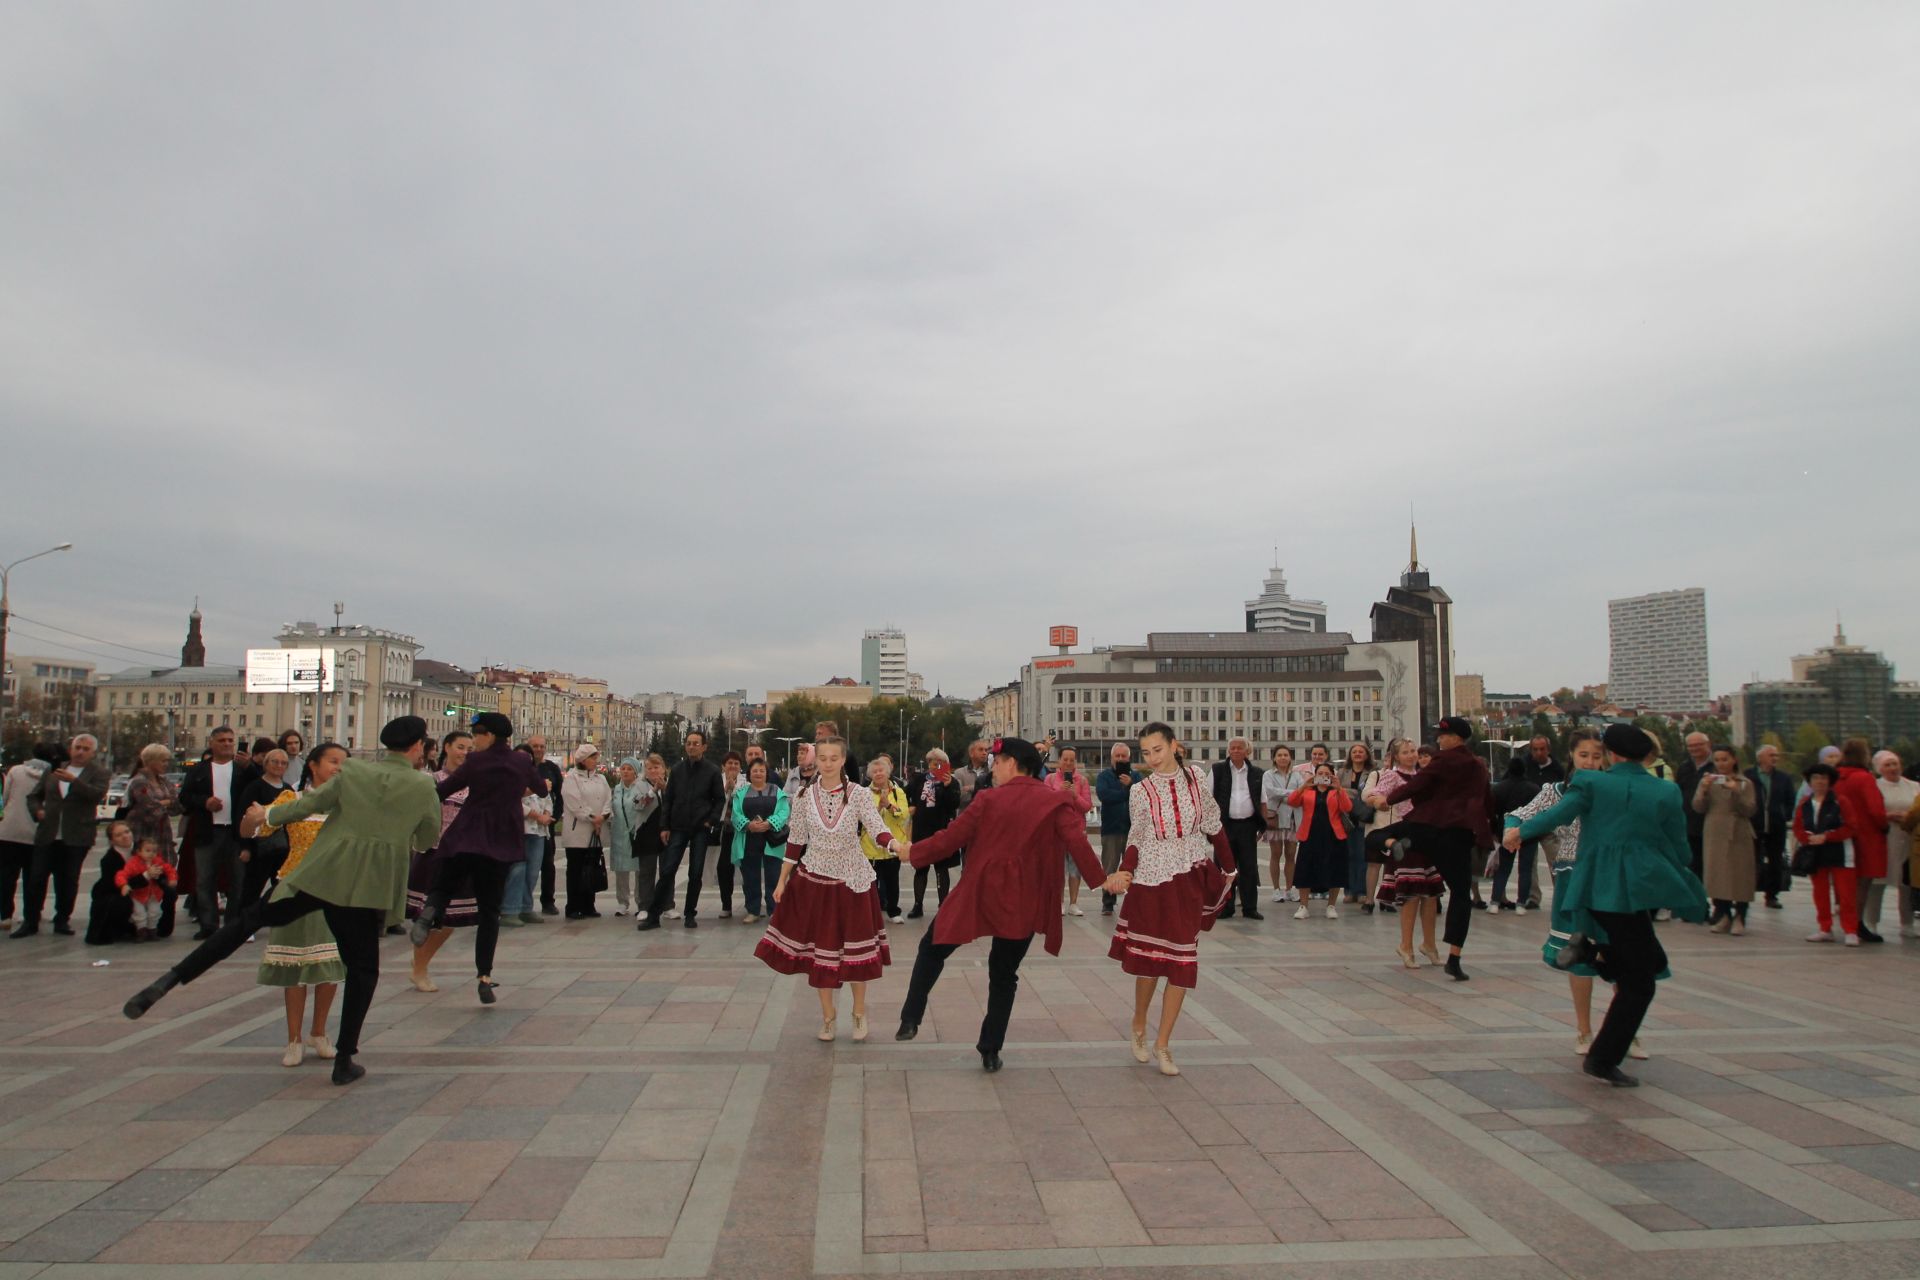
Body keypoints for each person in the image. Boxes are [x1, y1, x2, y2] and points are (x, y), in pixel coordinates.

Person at [126, 715, 444, 1087]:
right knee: (363, 969)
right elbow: (426, 840)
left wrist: (267, 814)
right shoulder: (423, 787)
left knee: (250, 919)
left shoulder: (354, 771)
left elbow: (305, 805)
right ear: (419, 746)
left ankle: (171, 978)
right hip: (366, 885)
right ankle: (344, 1059)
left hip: (321, 873)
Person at [895, 737, 1117, 1072]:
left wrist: (913, 852)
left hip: (979, 894)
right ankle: (990, 1049)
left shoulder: (987, 800)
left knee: (932, 947)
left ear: (1011, 763)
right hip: (1022, 901)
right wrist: (1103, 882)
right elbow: (1078, 843)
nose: (993, 767)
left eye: (996, 762)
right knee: (1003, 974)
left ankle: (911, 1018)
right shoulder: (1055, 802)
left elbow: (951, 839)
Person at [1505, 724, 1706, 1086]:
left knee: (1644, 963)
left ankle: (1595, 955)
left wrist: (1520, 832)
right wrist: (1678, 871)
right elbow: (1680, 845)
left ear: (1611, 754)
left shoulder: (1593, 784)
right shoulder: (1665, 790)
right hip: (1637, 890)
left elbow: (1559, 814)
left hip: (1595, 888)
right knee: (1642, 982)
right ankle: (1602, 1057)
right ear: (1647, 756)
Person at [1504, 729, 1655, 1059]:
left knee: (1623, 959)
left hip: (1613, 878)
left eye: (1597, 756)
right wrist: (1510, 832)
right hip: (1574, 877)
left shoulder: (1617, 789)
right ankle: (1584, 1030)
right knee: (1581, 957)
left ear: (1608, 758)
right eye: (1584, 755)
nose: (1590, 761)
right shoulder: (1557, 791)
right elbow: (1522, 814)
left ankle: (1627, 1032)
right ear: (1571, 755)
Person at [1106, 723, 1235, 1076]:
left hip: (1189, 876)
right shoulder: (1141, 790)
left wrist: (1231, 870)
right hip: (1151, 880)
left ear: (1173, 745)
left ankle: (1163, 1043)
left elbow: (1214, 825)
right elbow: (1136, 837)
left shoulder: (1195, 778)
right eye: (1145, 753)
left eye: (1157, 750)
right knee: (1150, 961)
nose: (1151, 759)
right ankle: (1138, 1020)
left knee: (1181, 961)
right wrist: (1125, 870)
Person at [754, 738, 898, 1042]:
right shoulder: (805, 796)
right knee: (821, 950)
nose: (828, 763)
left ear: (844, 760)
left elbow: (876, 827)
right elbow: (796, 840)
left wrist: (896, 844)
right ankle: (828, 1016)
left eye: (834, 757)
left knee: (856, 949)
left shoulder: (857, 794)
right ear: (814, 761)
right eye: (823, 758)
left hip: (852, 879)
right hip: (815, 879)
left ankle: (859, 1011)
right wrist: (782, 880)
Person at [417, 713, 550, 1003]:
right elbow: (540, 788)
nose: (473, 740)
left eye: (476, 734)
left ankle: (432, 910)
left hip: (466, 836)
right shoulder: (520, 762)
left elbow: (443, 790)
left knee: (444, 882)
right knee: (490, 911)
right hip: (500, 843)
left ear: (489, 735)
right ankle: (484, 978)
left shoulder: (475, 762)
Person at [255, 742, 350, 1067]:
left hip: (333, 890)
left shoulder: (347, 803)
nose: (339, 767)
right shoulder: (292, 799)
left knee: (329, 965)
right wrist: (252, 818)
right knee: (294, 967)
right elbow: (258, 827)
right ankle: (293, 1039)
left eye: (343, 763)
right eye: (333, 761)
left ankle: (319, 1032)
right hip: (294, 887)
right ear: (313, 765)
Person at [1389, 717, 1494, 982]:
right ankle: (1454, 957)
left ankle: (1393, 843)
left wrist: (1386, 800)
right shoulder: (1478, 766)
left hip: (1432, 828)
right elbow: (1486, 800)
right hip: (1461, 834)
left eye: (1442, 735)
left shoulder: (1442, 761)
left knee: (1389, 838)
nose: (1438, 739)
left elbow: (1416, 785)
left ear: (1456, 738)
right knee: (1461, 892)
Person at [16, 733, 112, 938]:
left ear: (93, 753)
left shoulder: (99, 772)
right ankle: (30, 921)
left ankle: (62, 919)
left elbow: (96, 795)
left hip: (76, 835)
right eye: (77, 747)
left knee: (68, 880)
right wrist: (37, 811)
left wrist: (74, 781)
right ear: (71, 748)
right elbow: (34, 795)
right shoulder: (55, 769)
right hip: (48, 833)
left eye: (86, 749)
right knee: (36, 879)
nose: (80, 752)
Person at [404, 730, 476, 990]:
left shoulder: (474, 783)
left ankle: (420, 965)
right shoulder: (432, 780)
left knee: (450, 920)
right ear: (446, 747)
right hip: (433, 853)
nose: (465, 752)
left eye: (469, 748)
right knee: (426, 915)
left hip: (461, 855)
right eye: (460, 746)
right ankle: (419, 968)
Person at [1366, 738, 1443, 966]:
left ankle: (1429, 944)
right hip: (1408, 834)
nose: (1411, 755)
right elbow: (1374, 795)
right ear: (1397, 756)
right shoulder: (1392, 775)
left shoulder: (1423, 776)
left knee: (1430, 895)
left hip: (1426, 834)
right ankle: (1406, 945)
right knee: (1412, 894)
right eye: (1406, 752)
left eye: (1414, 751)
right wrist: (1381, 802)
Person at [176, 727, 260, 938]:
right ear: (212, 743)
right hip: (207, 831)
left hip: (236, 832)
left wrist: (250, 766)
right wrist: (204, 802)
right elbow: (185, 797)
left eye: (230, 740)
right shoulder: (199, 770)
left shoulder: (242, 768)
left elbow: (259, 787)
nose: (226, 744)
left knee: (238, 879)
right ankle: (208, 924)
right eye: (221, 740)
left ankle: (233, 924)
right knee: (205, 879)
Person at [641, 730, 726, 930]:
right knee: (668, 870)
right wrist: (664, 826)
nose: (692, 746)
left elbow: (719, 799)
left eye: (696, 743)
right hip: (678, 827)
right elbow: (668, 799)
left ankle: (690, 914)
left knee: (695, 873)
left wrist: (710, 821)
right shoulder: (678, 770)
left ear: (704, 747)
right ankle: (654, 915)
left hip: (700, 828)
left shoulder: (712, 771)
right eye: (689, 743)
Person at [1797, 762, 1863, 945]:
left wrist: (1827, 836)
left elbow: (1851, 827)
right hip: (1816, 854)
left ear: (1830, 781)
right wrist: (1807, 838)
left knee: (1846, 893)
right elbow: (1798, 828)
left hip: (1841, 852)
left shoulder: (1841, 801)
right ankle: (1824, 928)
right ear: (1809, 781)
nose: (1819, 782)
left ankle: (1850, 930)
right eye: (1816, 778)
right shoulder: (1805, 803)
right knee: (1820, 892)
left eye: (1823, 778)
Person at [1694, 746, 1758, 934]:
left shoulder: (1745, 782)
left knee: (1740, 876)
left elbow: (1750, 809)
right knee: (1717, 874)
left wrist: (1736, 790)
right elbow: (1697, 807)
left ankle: (1740, 915)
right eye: (1718, 760)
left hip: (1739, 831)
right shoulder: (1708, 781)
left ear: (1734, 760)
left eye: (1725, 759)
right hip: (1715, 831)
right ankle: (1722, 914)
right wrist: (1704, 790)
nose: (1721, 764)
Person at [1834, 738, 1891, 942]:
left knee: (1846, 881)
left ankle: (1847, 922)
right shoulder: (1864, 778)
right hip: (1867, 836)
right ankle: (1856, 923)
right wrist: (1884, 825)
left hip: (1841, 836)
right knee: (1863, 882)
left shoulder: (1836, 777)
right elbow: (1875, 809)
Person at [0, 742, 55, 930]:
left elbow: (5, 796)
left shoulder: (15, 771)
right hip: (37, 832)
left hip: (9, 830)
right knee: (35, 878)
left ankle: (5, 915)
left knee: (6, 876)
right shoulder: (53, 775)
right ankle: (32, 915)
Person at [1288, 763, 1353, 919]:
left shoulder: (1336, 791)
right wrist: (1304, 785)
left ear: (1332, 775)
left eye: (1327, 773)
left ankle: (1331, 905)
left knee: (1334, 869)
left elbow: (1347, 807)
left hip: (1333, 835)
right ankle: (1303, 906)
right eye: (1320, 772)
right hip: (1310, 834)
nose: (1323, 775)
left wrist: (1339, 788)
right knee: (1305, 869)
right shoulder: (1308, 791)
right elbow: (1292, 801)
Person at [1212, 739, 1265, 921]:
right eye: (1232, 748)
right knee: (1224, 868)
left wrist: (1262, 826)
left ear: (1247, 751)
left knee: (1249, 868)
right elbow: (1208, 798)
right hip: (1224, 826)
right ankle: (1225, 907)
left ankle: (1250, 907)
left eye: (1239, 748)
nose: (1235, 751)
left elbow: (1262, 801)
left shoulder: (1257, 773)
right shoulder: (1217, 770)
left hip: (1248, 826)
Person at [731, 757, 790, 923]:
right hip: (748, 841)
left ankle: (775, 910)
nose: (758, 773)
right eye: (755, 770)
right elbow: (736, 814)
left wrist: (770, 823)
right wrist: (748, 825)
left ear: (767, 773)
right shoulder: (741, 793)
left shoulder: (777, 791)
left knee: (774, 877)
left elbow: (784, 812)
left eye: (761, 770)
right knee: (750, 878)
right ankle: (753, 910)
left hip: (772, 843)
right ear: (749, 773)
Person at [237, 750, 297, 908]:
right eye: (275, 762)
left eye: (283, 763)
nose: (279, 765)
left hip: (283, 848)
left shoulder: (288, 789)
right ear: (266, 763)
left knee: (281, 888)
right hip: (259, 848)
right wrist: (245, 847)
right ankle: (245, 927)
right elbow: (243, 817)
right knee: (252, 889)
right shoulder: (255, 787)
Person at [908, 749, 962, 917]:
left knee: (941, 869)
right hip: (922, 829)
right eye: (932, 763)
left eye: (939, 763)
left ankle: (943, 904)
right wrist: (911, 805)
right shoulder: (919, 779)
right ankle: (918, 904)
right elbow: (906, 793)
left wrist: (947, 787)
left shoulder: (951, 782)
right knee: (921, 868)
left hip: (941, 829)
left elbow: (954, 804)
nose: (935, 766)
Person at [560, 745, 613, 919]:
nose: (596, 761)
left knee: (592, 867)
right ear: (583, 760)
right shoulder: (571, 778)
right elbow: (574, 803)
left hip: (596, 832)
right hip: (578, 832)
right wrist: (592, 817)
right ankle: (573, 906)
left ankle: (589, 904)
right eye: (592, 758)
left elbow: (608, 799)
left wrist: (603, 817)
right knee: (576, 870)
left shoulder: (601, 779)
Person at [506, 744, 553, 926]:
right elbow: (510, 799)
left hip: (538, 831)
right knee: (517, 870)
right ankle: (510, 909)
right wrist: (536, 815)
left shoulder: (534, 775)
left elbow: (546, 797)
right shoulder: (508, 777)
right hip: (519, 829)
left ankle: (526, 906)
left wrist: (547, 814)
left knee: (533, 871)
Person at [861, 755, 911, 924]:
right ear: (870, 775)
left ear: (888, 772)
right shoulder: (864, 793)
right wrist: (878, 806)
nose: (878, 773)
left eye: (881, 770)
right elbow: (863, 818)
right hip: (870, 846)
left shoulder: (898, 792)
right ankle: (872, 913)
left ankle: (894, 911)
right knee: (871, 884)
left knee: (892, 881)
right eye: (874, 771)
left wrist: (889, 806)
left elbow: (903, 815)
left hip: (893, 846)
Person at [1747, 744, 1797, 909]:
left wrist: (1785, 814)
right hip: (1754, 824)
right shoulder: (1749, 776)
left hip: (1776, 825)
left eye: (1776, 755)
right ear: (1760, 758)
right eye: (1771, 755)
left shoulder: (1783, 778)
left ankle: (1772, 895)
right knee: (1751, 861)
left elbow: (1791, 799)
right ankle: (1745, 893)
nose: (1775, 758)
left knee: (1776, 861)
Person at [608, 757, 660, 917]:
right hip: (619, 834)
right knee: (621, 869)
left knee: (640, 869)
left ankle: (640, 901)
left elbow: (642, 804)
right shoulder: (616, 789)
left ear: (636, 772)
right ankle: (622, 902)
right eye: (623, 768)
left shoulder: (640, 787)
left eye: (629, 769)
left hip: (636, 833)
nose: (625, 771)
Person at [1488, 756, 1541, 912]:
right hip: (1528, 832)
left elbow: (1493, 813)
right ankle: (1521, 904)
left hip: (1506, 832)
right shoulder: (1534, 789)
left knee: (1503, 868)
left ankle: (1494, 902)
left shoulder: (1498, 788)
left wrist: (1494, 831)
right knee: (1525, 869)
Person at [1047, 747, 1095, 916]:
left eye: (1071, 760)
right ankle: (1059, 902)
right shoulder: (1050, 778)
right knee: (1059, 868)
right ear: (1059, 760)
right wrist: (1060, 792)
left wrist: (1075, 795)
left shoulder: (1081, 781)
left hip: (1077, 831)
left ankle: (1073, 903)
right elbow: (1045, 803)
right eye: (1065, 759)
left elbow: (1087, 806)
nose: (1068, 763)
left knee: (1075, 868)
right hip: (1056, 831)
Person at [1874, 751, 1917, 938]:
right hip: (1884, 839)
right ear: (1879, 768)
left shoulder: (1914, 786)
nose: (1893, 768)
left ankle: (1907, 923)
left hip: (1909, 840)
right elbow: (1870, 812)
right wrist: (1888, 817)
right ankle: (1871, 922)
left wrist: (1908, 818)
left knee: (1906, 883)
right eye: (1888, 765)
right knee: (1877, 882)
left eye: (1895, 764)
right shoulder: (1875, 787)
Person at [1094, 743, 1135, 916]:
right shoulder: (1104, 776)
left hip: (1132, 830)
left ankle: (1134, 902)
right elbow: (1104, 796)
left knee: (1132, 868)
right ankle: (1108, 903)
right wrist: (1127, 792)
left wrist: (1131, 784)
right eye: (1117, 756)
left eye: (1123, 756)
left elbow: (1145, 795)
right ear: (1111, 758)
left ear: (1128, 758)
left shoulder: (1137, 776)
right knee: (1109, 867)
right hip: (1111, 828)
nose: (1120, 759)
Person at [629, 755, 668, 928]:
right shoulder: (639, 785)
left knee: (668, 870)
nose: (653, 771)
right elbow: (637, 804)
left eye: (657, 767)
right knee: (646, 871)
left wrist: (664, 788)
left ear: (663, 768)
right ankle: (644, 906)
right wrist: (653, 791)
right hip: (646, 832)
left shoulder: (670, 784)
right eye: (650, 768)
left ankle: (668, 904)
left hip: (666, 831)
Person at [525, 735, 564, 916]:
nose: (538, 749)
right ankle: (523, 903)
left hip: (546, 824)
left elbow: (558, 795)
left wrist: (553, 817)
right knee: (524, 866)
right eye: (534, 746)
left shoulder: (551, 768)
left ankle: (548, 901)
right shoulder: (523, 768)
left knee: (548, 864)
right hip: (525, 825)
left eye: (541, 746)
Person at [1673, 731, 1714, 888]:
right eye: (1691, 746)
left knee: (1712, 866)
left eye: (1698, 745)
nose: (1694, 749)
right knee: (1692, 865)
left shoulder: (1717, 766)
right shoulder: (1684, 767)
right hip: (1689, 825)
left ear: (1708, 744)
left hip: (1710, 824)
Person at [115, 834, 176, 939]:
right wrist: (123, 885)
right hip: (138, 894)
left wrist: (172, 878)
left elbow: (169, 869)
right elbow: (122, 874)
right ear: (139, 851)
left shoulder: (158, 861)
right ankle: (141, 930)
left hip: (154, 894)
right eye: (147, 851)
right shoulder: (133, 863)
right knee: (139, 913)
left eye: (154, 851)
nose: (151, 854)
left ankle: (152, 929)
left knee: (155, 911)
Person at [1259, 745, 1298, 907]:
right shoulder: (1268, 774)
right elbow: (1269, 791)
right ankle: (1276, 889)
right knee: (1276, 853)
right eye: (1279, 755)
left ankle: (1289, 888)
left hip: (1292, 819)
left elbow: (1302, 791)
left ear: (1290, 757)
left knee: (1290, 854)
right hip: (1274, 818)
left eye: (1286, 755)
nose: (1283, 758)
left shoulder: (1297, 775)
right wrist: (1291, 793)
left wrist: (1287, 792)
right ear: (1274, 758)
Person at [1338, 742, 1374, 911]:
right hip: (1345, 819)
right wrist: (1354, 796)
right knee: (1347, 855)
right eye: (1355, 752)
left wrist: (1350, 794)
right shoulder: (1342, 772)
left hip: (1364, 818)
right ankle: (1349, 890)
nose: (1358, 754)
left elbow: (1369, 793)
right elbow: (1337, 792)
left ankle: (1361, 891)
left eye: (1361, 752)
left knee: (1362, 856)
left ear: (1366, 755)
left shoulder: (1372, 773)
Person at [714, 752, 746, 918]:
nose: (733, 766)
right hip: (724, 829)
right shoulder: (717, 781)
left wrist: (734, 791)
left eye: (736, 763)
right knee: (723, 867)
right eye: (729, 763)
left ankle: (750, 902)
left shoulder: (745, 782)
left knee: (745, 867)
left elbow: (744, 803)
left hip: (740, 830)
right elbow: (714, 802)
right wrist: (725, 790)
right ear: (723, 766)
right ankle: (726, 904)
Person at [953, 740, 992, 809]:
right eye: (980, 750)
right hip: (966, 817)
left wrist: (970, 788)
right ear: (971, 753)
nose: (985, 753)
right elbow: (959, 800)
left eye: (986, 750)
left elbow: (994, 796)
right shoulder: (960, 773)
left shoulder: (991, 772)